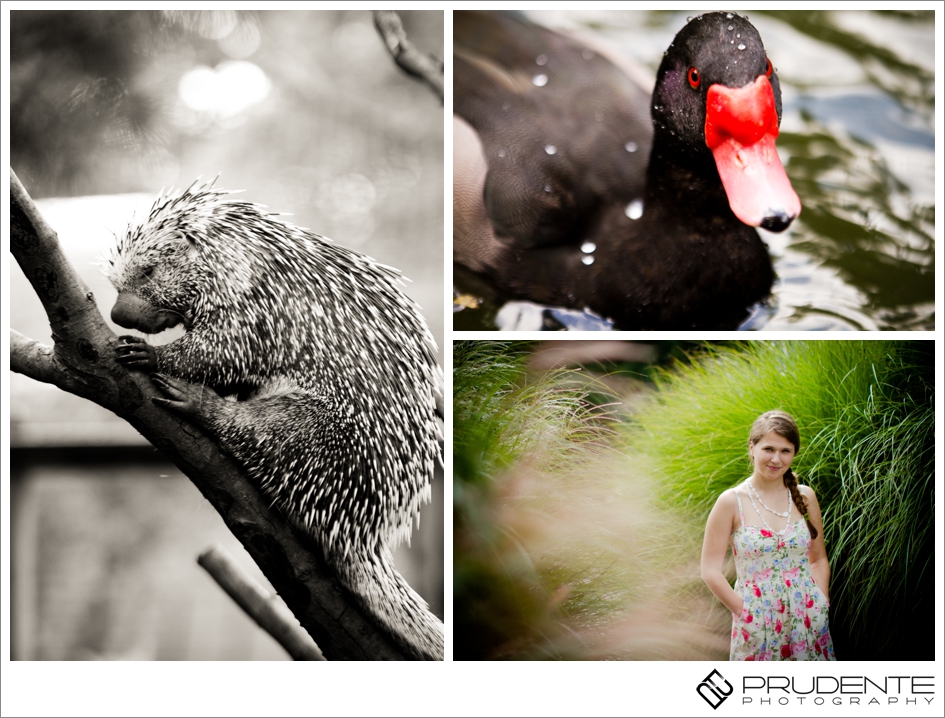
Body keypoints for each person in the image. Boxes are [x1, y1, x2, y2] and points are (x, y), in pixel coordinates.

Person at [701, 410, 836, 660]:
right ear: (752, 448)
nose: (776, 459)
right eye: (768, 449)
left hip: (807, 617)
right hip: (757, 621)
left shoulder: (805, 496)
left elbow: (817, 558)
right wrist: (745, 613)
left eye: (785, 451)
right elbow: (709, 569)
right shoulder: (731, 502)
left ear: (794, 453)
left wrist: (821, 602)